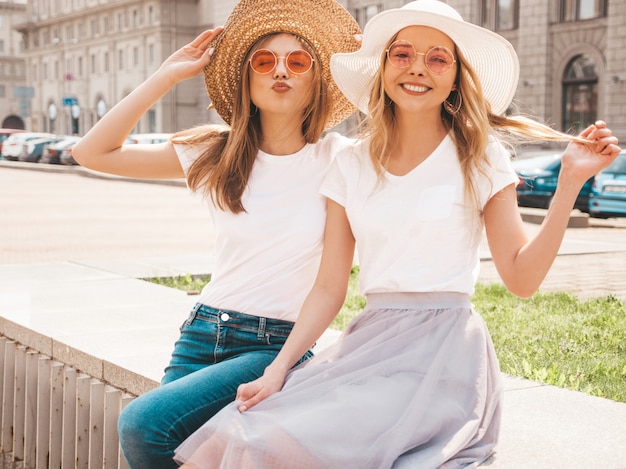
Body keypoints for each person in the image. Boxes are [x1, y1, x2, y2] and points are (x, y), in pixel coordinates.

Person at [173, 1, 621, 468]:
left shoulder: (480, 154)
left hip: (446, 356)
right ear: (383, 68)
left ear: (454, 75)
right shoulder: (350, 164)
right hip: (369, 345)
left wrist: (570, 183)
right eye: (402, 54)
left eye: (437, 58)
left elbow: (522, 280)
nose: (417, 69)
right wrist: (277, 370)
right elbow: (329, 287)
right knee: (245, 432)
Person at [71, 0, 360, 467]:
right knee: (178, 453)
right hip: (203, 332)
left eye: (298, 60)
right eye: (264, 61)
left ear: (316, 78)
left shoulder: (341, 160)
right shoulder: (214, 149)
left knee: (143, 425)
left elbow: (331, 284)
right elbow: (93, 152)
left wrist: (281, 366)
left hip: (276, 343)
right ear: (247, 78)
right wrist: (165, 76)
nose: (280, 71)